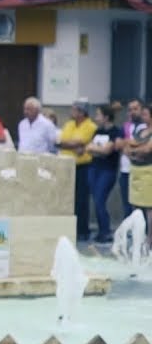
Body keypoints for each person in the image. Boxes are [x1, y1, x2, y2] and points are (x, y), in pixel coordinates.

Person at [58, 102, 99, 242]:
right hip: (67, 167)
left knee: (81, 200)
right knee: (69, 199)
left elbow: (81, 141)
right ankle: (70, 229)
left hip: (83, 167)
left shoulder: (90, 126)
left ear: (82, 112)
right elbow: (62, 140)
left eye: (74, 110)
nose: (71, 112)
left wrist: (72, 144)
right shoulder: (69, 124)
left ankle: (82, 230)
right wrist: (73, 145)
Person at [87, 105, 122, 244]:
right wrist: (99, 149)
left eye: (98, 115)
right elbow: (88, 148)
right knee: (96, 200)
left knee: (100, 199)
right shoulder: (97, 131)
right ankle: (102, 231)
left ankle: (106, 231)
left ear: (106, 117)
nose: (96, 118)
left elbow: (108, 151)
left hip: (107, 170)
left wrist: (98, 149)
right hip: (94, 168)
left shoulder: (115, 131)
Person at [119, 98, 146, 218]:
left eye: (136, 109)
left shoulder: (146, 127)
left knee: (141, 206)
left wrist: (129, 146)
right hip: (125, 170)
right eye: (130, 110)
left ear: (142, 110)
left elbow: (141, 145)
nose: (132, 112)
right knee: (126, 204)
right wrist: (128, 144)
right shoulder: (126, 126)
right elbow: (119, 144)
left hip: (141, 171)